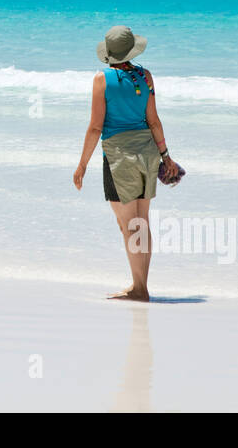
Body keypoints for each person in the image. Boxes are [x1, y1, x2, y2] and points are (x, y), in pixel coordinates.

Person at [72, 25, 179, 302]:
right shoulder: (145, 76)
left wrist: (82, 164)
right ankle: (140, 285)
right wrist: (165, 156)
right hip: (147, 153)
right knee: (141, 222)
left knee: (128, 225)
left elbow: (96, 127)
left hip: (119, 157)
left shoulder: (101, 79)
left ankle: (139, 289)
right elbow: (153, 121)